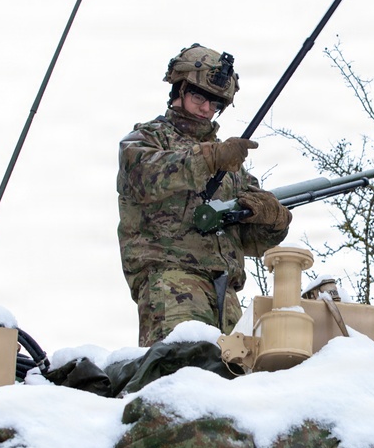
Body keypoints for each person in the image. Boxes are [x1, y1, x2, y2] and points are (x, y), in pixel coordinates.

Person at [117, 44, 292, 346]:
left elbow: (249, 240)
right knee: (182, 363)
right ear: (179, 90)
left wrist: (273, 219)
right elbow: (145, 177)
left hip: (227, 293)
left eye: (215, 104)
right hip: (172, 281)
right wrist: (210, 158)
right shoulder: (148, 139)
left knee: (236, 369)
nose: (206, 109)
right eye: (199, 97)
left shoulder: (230, 165)